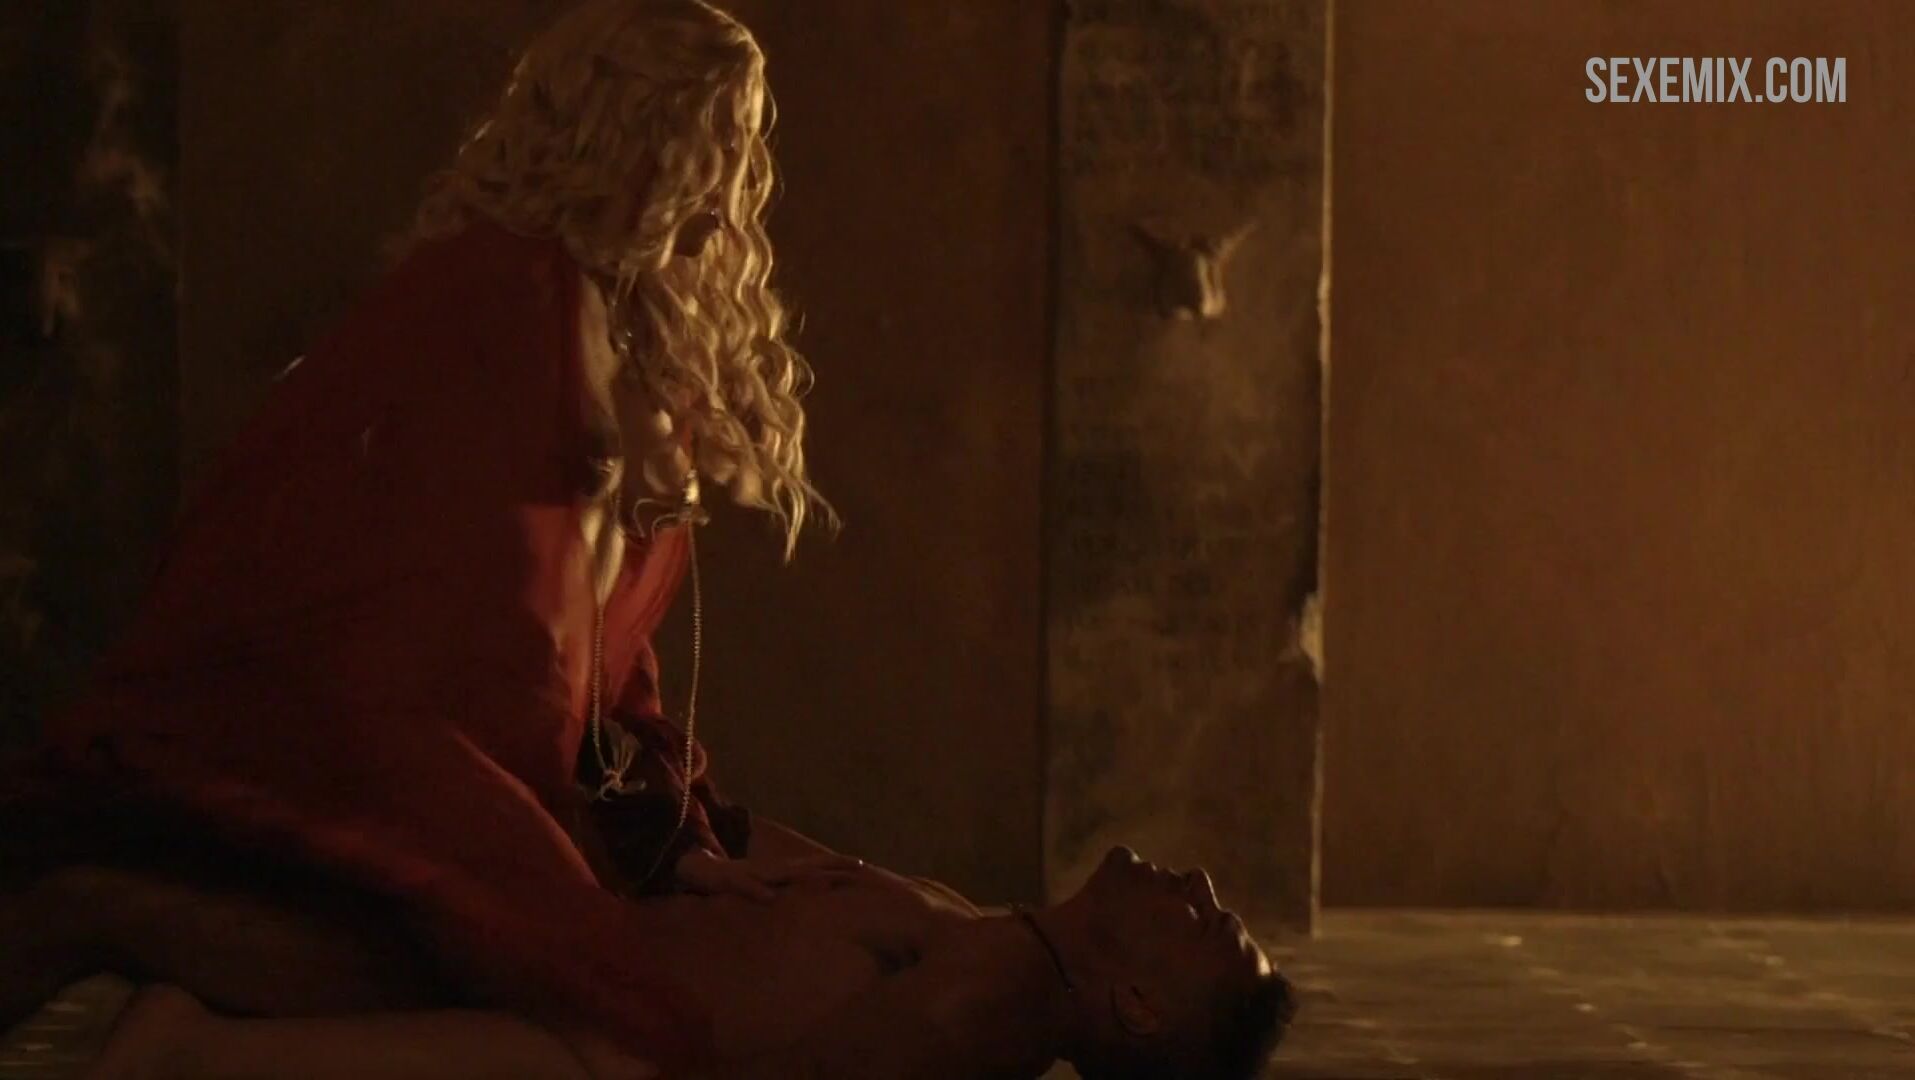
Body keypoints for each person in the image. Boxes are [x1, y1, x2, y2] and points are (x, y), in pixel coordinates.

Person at [0, 0, 860, 1070]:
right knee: (621, 1021)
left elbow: (596, 634)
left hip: (497, 742)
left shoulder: (640, 326)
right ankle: (165, 1024)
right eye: (706, 133)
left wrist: (671, 828)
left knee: (640, 988)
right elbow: (428, 589)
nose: (730, 176)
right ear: (624, 124)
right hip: (409, 726)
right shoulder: (499, 287)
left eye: (741, 140)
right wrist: (508, 830)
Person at [24, 846, 1295, 1078]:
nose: (1198, 885)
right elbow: (786, 873)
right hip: (547, 936)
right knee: (113, 900)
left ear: (1135, 1007)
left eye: (1209, 927)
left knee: (98, 904)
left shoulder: (996, 1000)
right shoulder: (982, 929)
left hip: (532, 990)